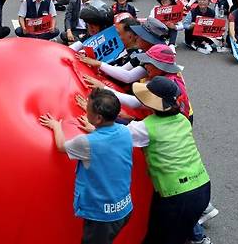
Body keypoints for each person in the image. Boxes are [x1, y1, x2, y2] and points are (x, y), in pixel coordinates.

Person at [39, 89, 132, 244]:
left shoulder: (87, 143)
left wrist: (56, 126)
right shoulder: (125, 131)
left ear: (98, 118)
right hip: (124, 208)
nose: (85, 110)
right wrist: (95, 128)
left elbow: (61, 146)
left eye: (87, 109)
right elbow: (108, 143)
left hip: (102, 217)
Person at [125, 77, 211, 244]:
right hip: (202, 187)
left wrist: (95, 126)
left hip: (177, 196)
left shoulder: (144, 127)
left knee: (161, 238)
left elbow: (114, 137)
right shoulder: (182, 119)